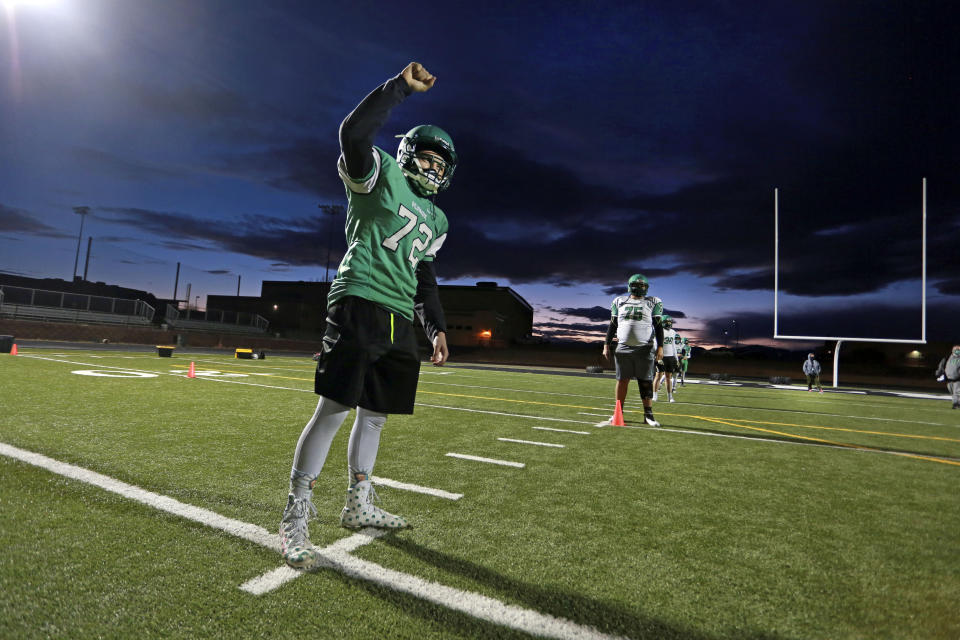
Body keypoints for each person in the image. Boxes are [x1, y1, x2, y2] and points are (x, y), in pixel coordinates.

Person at [279, 62, 456, 569]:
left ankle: (359, 504)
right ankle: (296, 516)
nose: (433, 170)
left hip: (402, 315)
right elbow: (352, 132)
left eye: (442, 166)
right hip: (360, 298)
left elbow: (424, 275)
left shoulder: (439, 218)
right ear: (406, 155)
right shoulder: (379, 173)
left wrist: (437, 326)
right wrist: (399, 89)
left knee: (375, 415)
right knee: (334, 409)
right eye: (427, 159)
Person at [602, 274, 664, 426]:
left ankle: (648, 415)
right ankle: (618, 412)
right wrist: (606, 344)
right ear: (630, 285)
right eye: (638, 285)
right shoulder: (619, 301)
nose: (640, 288)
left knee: (646, 381)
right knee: (622, 380)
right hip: (623, 347)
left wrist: (660, 346)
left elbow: (658, 326)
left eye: (643, 286)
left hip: (645, 347)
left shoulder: (653, 301)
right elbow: (613, 324)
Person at [653, 315, 678, 402]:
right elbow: (655, 344)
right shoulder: (659, 331)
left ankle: (670, 397)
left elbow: (673, 345)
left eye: (670, 322)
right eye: (668, 322)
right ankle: (655, 395)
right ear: (663, 323)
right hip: (661, 356)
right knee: (658, 376)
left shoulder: (673, 332)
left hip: (670, 357)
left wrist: (676, 358)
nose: (669, 323)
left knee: (668, 378)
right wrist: (657, 356)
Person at [934, 345, 960, 409]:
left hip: (958, 379)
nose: (958, 351)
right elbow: (941, 365)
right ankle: (956, 403)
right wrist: (938, 373)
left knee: (957, 392)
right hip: (949, 379)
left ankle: (956, 404)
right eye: (956, 350)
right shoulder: (947, 357)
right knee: (952, 392)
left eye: (958, 350)